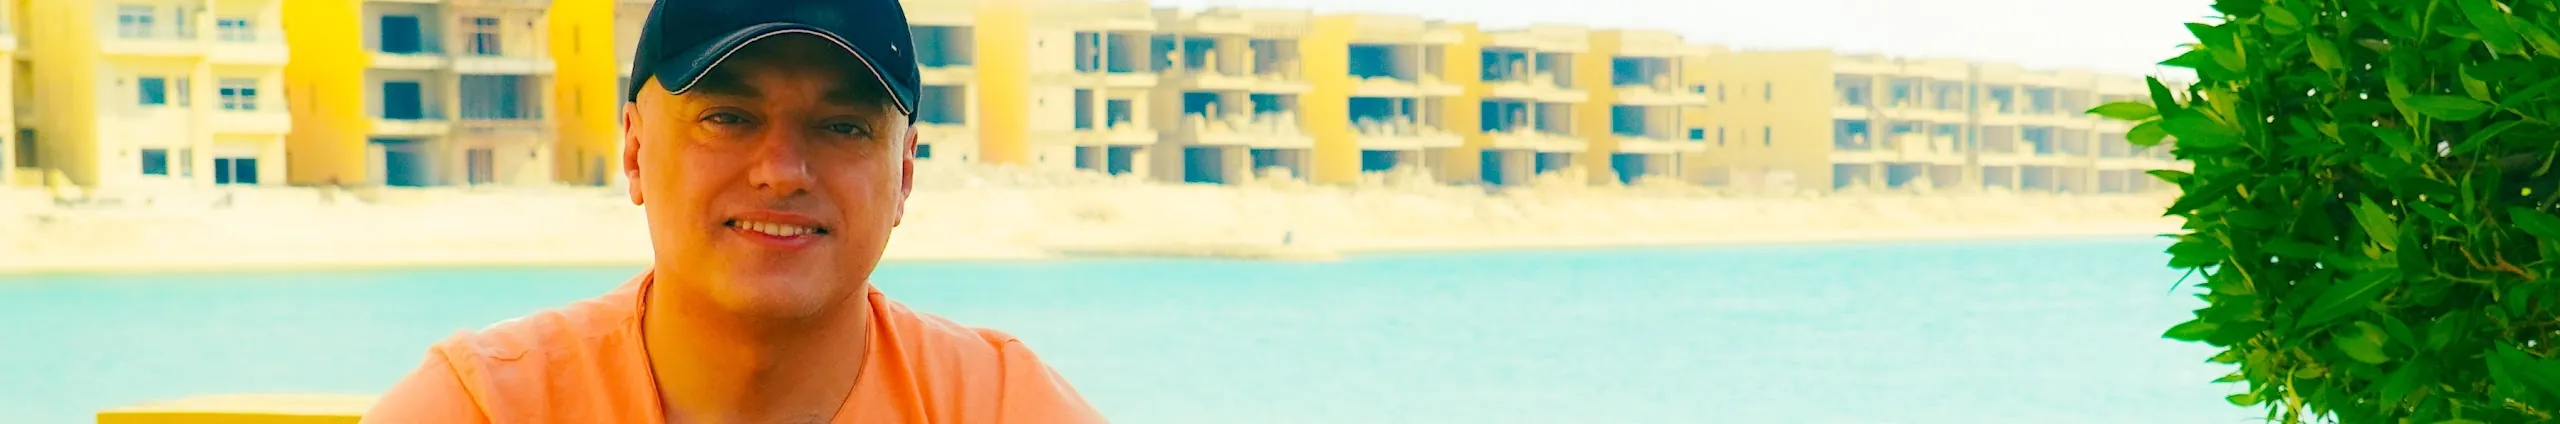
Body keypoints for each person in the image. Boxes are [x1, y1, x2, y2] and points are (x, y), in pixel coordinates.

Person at [361, 0, 1103, 422]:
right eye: (728, 118)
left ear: (904, 174)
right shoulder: (488, 406)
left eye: (842, 127)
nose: (782, 172)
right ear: (635, 150)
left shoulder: (1000, 406)